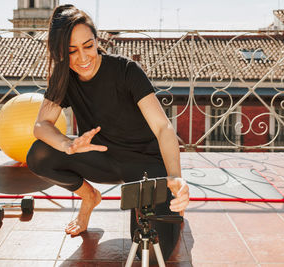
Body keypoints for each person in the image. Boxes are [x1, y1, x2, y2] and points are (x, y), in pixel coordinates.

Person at [27, 4, 189, 260]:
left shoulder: (126, 71)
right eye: (71, 51)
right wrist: (67, 145)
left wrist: (175, 178)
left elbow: (163, 127)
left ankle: (168, 206)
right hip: (102, 158)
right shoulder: (64, 77)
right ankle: (89, 197)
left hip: (145, 165)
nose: (82, 58)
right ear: (61, 53)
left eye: (88, 46)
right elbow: (40, 126)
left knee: (151, 254)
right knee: (39, 155)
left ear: (96, 40)